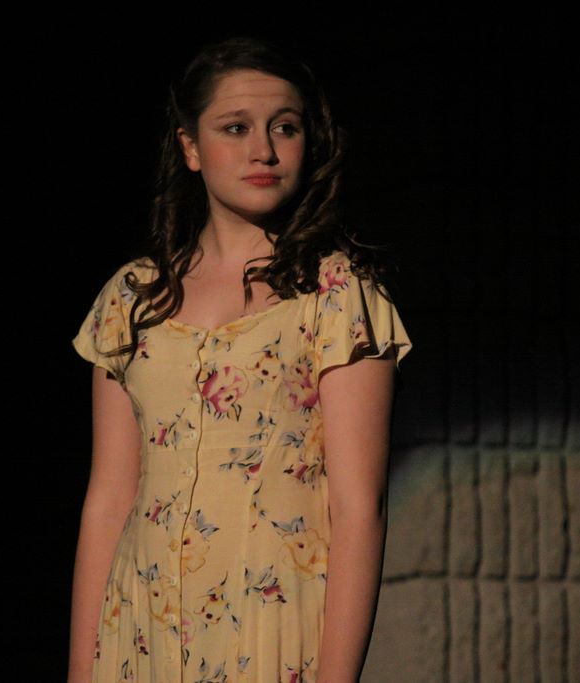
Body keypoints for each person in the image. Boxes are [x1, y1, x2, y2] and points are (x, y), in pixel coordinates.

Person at [67, 36, 412, 683]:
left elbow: (358, 509)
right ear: (191, 147)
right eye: (236, 127)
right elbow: (108, 499)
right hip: (139, 630)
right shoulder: (131, 298)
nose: (264, 150)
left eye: (286, 127)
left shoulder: (337, 296)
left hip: (270, 629)